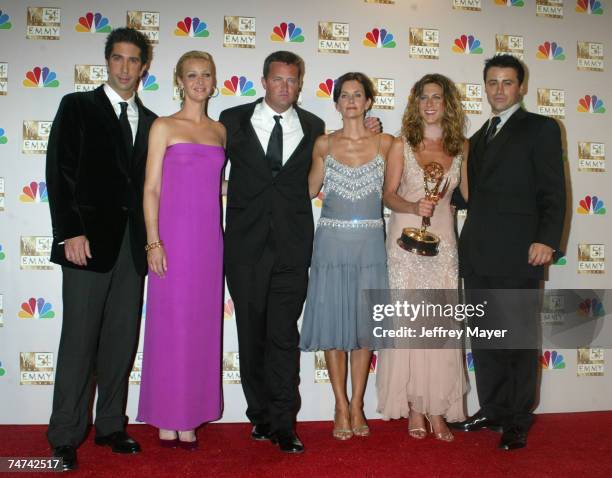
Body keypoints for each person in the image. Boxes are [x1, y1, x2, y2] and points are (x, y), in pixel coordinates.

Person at [219, 51, 379, 454]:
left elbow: (341, 152)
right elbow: (209, 170)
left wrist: (371, 127)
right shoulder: (231, 119)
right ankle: (259, 416)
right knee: (251, 333)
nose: (285, 87)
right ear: (264, 80)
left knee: (283, 336)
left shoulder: (313, 127)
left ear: (300, 84)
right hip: (244, 247)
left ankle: (284, 421)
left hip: (294, 246)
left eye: (292, 81)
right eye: (278, 80)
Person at [45, 28, 155, 471]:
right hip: (86, 246)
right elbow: (59, 170)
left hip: (131, 249)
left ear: (144, 67)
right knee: (78, 342)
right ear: (107, 62)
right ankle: (66, 434)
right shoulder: (77, 106)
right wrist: (70, 232)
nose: (125, 68)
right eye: (118, 59)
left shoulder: (151, 122)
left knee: (120, 342)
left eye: (134, 61)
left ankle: (111, 425)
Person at [450, 55, 566, 450]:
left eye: (507, 82)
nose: (499, 89)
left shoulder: (541, 128)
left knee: (517, 337)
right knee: (485, 336)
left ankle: (518, 416)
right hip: (479, 252)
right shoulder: (479, 136)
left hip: (521, 252)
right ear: (484, 86)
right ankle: (494, 407)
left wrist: (547, 239)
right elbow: (467, 196)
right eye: (492, 82)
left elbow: (553, 190)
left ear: (521, 87)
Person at [137, 51, 226, 450]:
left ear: (213, 81)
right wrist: (153, 240)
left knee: (201, 327)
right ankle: (167, 415)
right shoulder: (163, 126)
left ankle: (189, 414)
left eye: (206, 74)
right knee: (169, 326)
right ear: (179, 80)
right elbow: (151, 188)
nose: (200, 81)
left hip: (208, 241)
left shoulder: (220, 131)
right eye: (192, 75)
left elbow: (213, 184)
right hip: (171, 238)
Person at [376, 74, 469, 442]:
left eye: (437, 97)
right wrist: (414, 204)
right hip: (405, 243)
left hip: (444, 241)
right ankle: (415, 406)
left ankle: (439, 408)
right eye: (423, 98)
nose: (430, 104)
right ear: (415, 104)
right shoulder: (402, 144)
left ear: (448, 104)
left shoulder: (461, 146)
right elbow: (388, 195)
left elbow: (471, 194)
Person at [300, 73, 393, 440]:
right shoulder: (323, 144)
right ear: (336, 103)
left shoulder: (387, 143)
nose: (351, 100)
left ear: (369, 101)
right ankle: (339, 404)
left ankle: (358, 403)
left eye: (358, 95)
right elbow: (308, 189)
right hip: (331, 243)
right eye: (344, 95)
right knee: (335, 328)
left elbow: (397, 193)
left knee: (364, 329)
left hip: (371, 243)